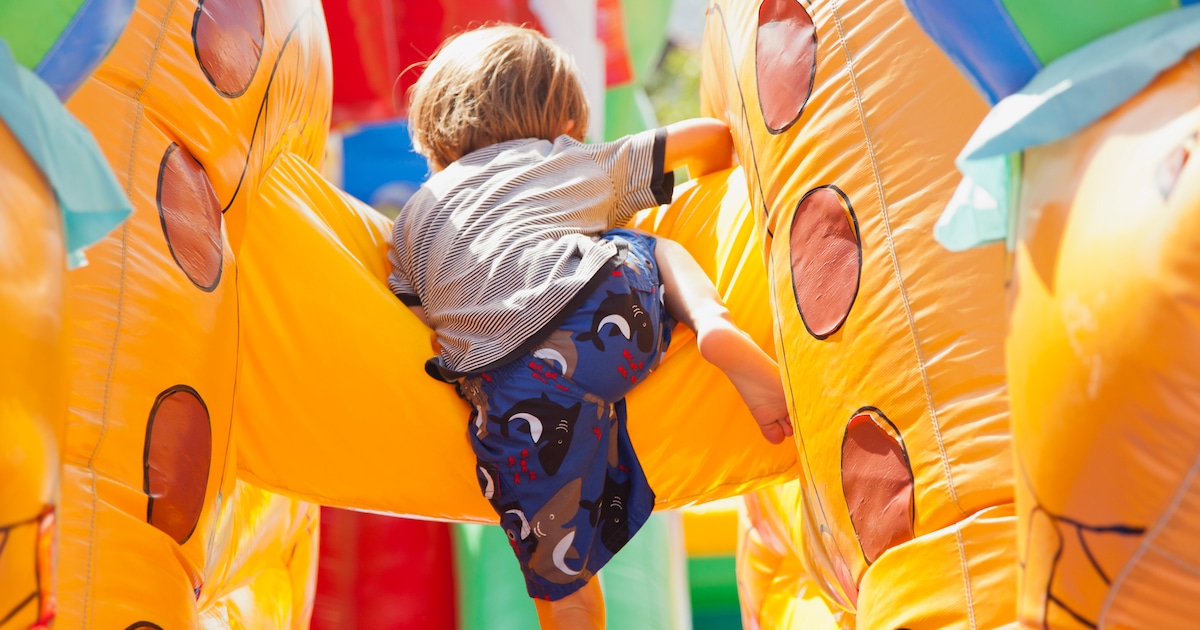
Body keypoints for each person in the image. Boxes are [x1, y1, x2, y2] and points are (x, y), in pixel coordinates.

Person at [388, 24, 792, 629]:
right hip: (608, 316)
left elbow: (409, 302)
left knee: (561, 582)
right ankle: (710, 321)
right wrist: (719, 165)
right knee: (647, 246)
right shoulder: (561, 161)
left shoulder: (416, 217)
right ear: (564, 122)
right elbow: (704, 140)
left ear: (435, 138)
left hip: (509, 390)